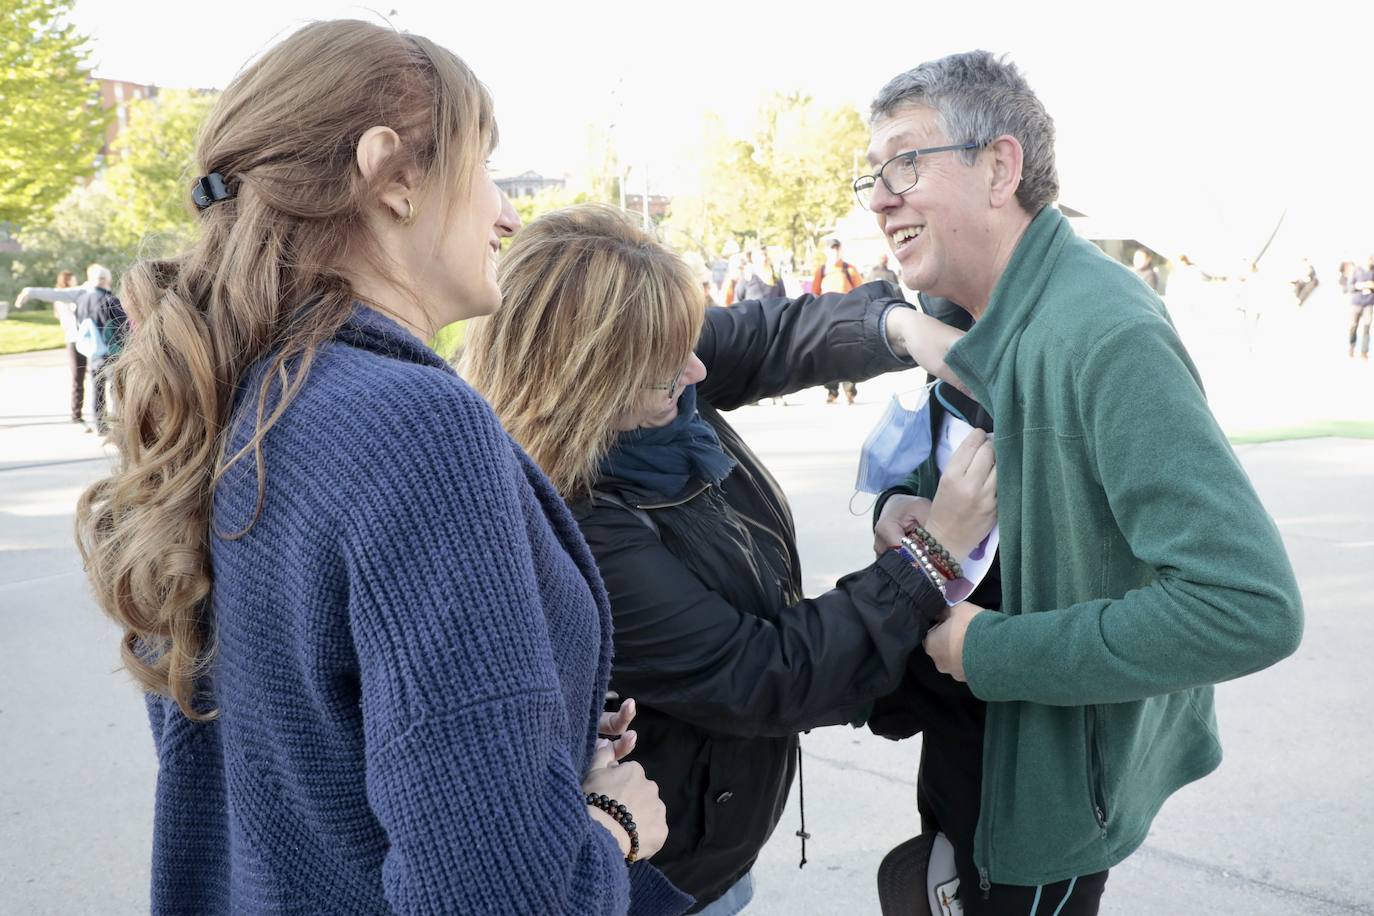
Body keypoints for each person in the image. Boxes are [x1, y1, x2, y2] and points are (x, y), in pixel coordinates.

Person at [73, 21, 687, 915]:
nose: (507, 213)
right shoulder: (412, 426)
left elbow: (286, 747)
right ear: (392, 176)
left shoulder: (222, 402)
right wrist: (606, 823)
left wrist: (521, 727)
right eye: (486, 169)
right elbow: (502, 899)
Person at [855, 50, 1303, 913]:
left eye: (906, 161)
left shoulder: (1104, 332)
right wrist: (900, 511)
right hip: (969, 752)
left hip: (1046, 798)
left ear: (1000, 167)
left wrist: (985, 650)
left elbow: (1248, 606)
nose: (880, 196)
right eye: (873, 173)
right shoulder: (964, 318)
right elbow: (945, 483)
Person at [462, 204, 995, 915]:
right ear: (583, 385)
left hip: (716, 828)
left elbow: (773, 336)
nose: (697, 367)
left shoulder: (648, 375)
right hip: (664, 869)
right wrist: (936, 552)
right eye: (667, 367)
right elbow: (764, 672)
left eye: (689, 337)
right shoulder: (574, 528)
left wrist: (900, 328)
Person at [16, 268, 87, 423]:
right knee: (78, 378)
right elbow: (52, 296)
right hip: (74, 339)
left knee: (86, 377)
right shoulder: (65, 296)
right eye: (73, 279)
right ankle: (76, 414)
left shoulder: (73, 295)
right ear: (68, 280)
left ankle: (82, 413)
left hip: (82, 339)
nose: (76, 281)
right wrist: (29, 291)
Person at [73, 267, 127, 434]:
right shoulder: (110, 300)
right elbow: (123, 327)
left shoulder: (81, 301)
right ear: (106, 280)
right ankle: (119, 425)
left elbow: (78, 325)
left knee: (97, 388)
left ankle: (100, 425)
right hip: (112, 352)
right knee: (116, 389)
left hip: (93, 353)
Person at [813, 239, 865, 404]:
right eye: (831, 249)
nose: (834, 252)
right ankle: (832, 391)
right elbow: (814, 295)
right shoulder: (821, 271)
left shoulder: (849, 269)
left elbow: (860, 292)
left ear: (840, 250)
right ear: (826, 251)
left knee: (850, 354)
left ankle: (850, 390)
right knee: (828, 356)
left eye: (836, 248)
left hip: (848, 319)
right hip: (827, 320)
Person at [1349, 254, 1373, 359]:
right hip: (1356, 303)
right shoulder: (1357, 270)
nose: (1370, 261)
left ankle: (1364, 352)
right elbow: (1349, 286)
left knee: (1366, 327)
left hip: (1369, 303)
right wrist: (1358, 286)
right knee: (1353, 326)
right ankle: (1351, 346)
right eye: (1369, 259)